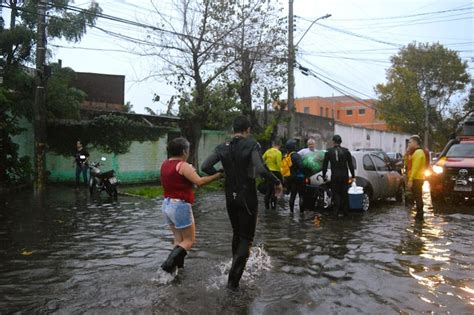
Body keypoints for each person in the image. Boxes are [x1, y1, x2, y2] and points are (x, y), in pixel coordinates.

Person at [201, 116, 283, 290]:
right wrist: (276, 182)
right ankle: (232, 283)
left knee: (237, 234)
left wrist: (222, 173)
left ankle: (234, 269)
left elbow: (205, 166)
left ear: (233, 130)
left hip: (230, 197)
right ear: (248, 130)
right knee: (247, 238)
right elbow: (260, 169)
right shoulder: (252, 144)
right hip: (247, 198)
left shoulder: (222, 147)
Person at [160, 137, 223, 273]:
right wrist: (218, 175)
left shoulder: (165, 164)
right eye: (188, 150)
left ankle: (177, 271)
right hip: (180, 206)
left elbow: (180, 182)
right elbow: (199, 182)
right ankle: (168, 264)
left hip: (167, 205)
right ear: (184, 151)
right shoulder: (183, 165)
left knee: (179, 240)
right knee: (189, 241)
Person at [322, 135, 355, 217]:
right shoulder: (346, 151)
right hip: (344, 176)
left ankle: (335, 212)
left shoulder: (328, 152)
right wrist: (353, 176)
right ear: (341, 142)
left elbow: (324, 165)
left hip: (335, 176)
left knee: (335, 193)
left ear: (333, 142)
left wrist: (323, 175)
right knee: (344, 193)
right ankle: (345, 212)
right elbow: (350, 165)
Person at [406, 135, 426, 220]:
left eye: (410, 142)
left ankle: (419, 215)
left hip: (417, 178)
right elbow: (407, 163)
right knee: (417, 196)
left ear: (415, 142)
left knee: (418, 196)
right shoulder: (415, 152)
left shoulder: (418, 153)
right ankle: (419, 214)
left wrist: (410, 179)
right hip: (416, 178)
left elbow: (415, 167)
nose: (408, 144)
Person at [284, 139, 306, 213]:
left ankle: (291, 212)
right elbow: (301, 166)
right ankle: (302, 213)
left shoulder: (287, 156)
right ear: (293, 147)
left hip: (291, 178)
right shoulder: (296, 156)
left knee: (292, 195)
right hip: (299, 178)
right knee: (301, 196)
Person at [262, 140, 283, 210]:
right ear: (279, 146)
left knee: (269, 190)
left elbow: (262, 159)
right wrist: (283, 175)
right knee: (275, 191)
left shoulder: (268, 151)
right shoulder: (278, 153)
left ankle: (266, 207)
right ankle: (273, 207)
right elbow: (279, 165)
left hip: (267, 173)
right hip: (275, 173)